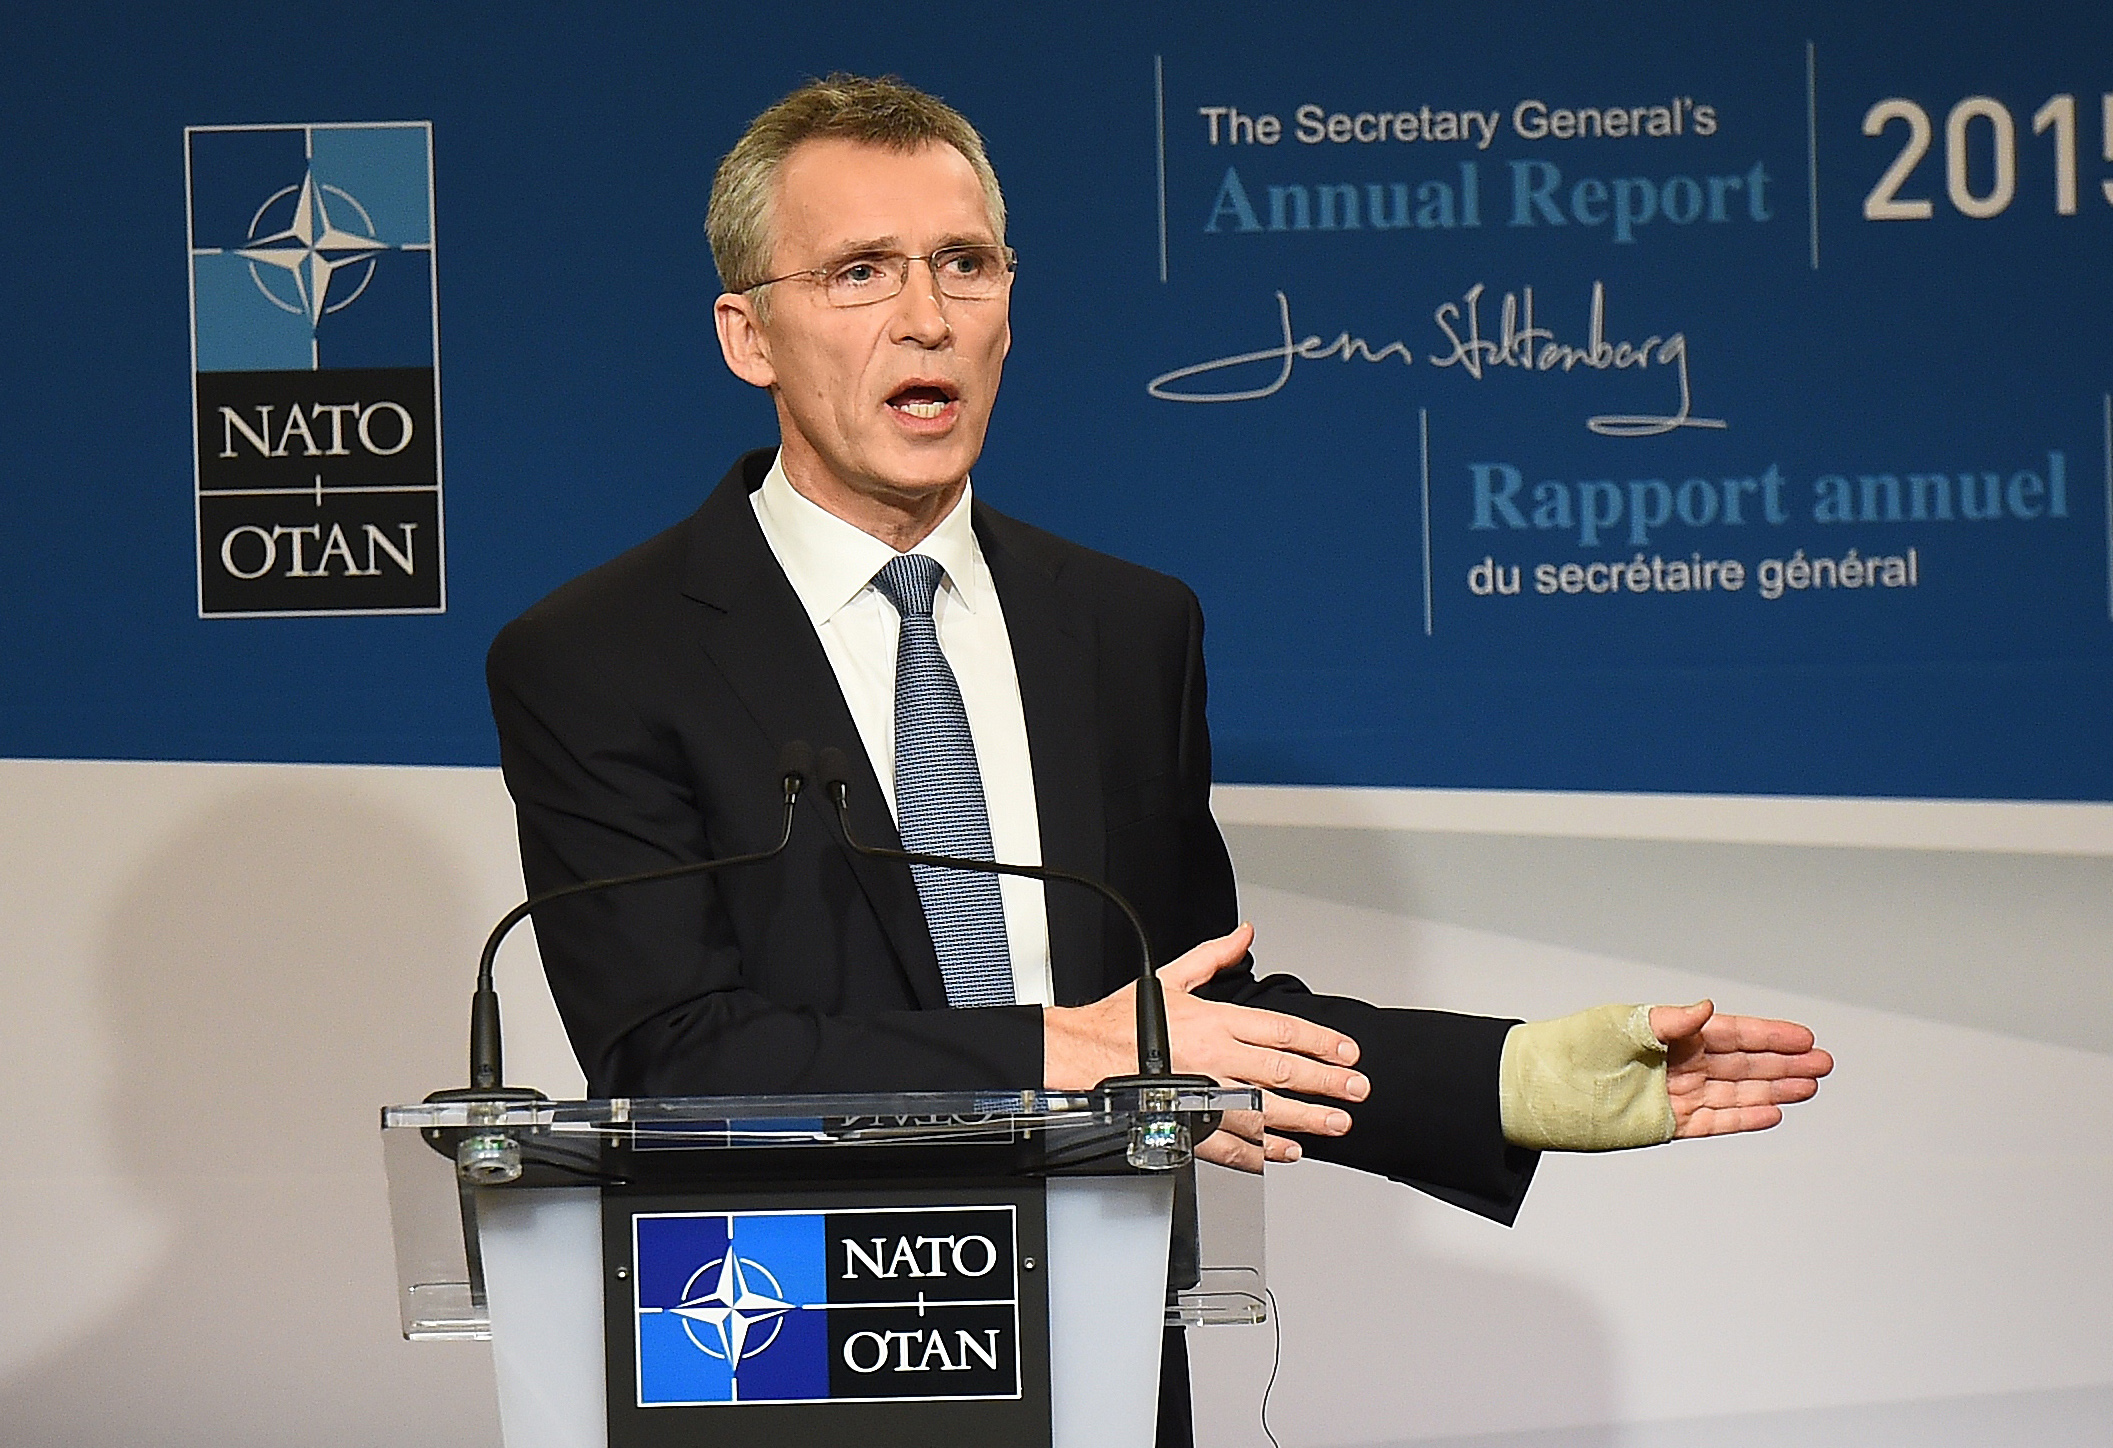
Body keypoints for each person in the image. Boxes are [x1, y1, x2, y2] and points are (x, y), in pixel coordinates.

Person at [486, 72, 1830, 1441]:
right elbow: (674, 1057)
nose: (925, 316)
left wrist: (1507, 1080)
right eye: (860, 272)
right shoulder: (602, 656)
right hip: (775, 1350)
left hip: (1095, 1358)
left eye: (964, 264)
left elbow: (1187, 1010)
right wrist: (1059, 1050)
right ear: (749, 336)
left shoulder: (1124, 628)